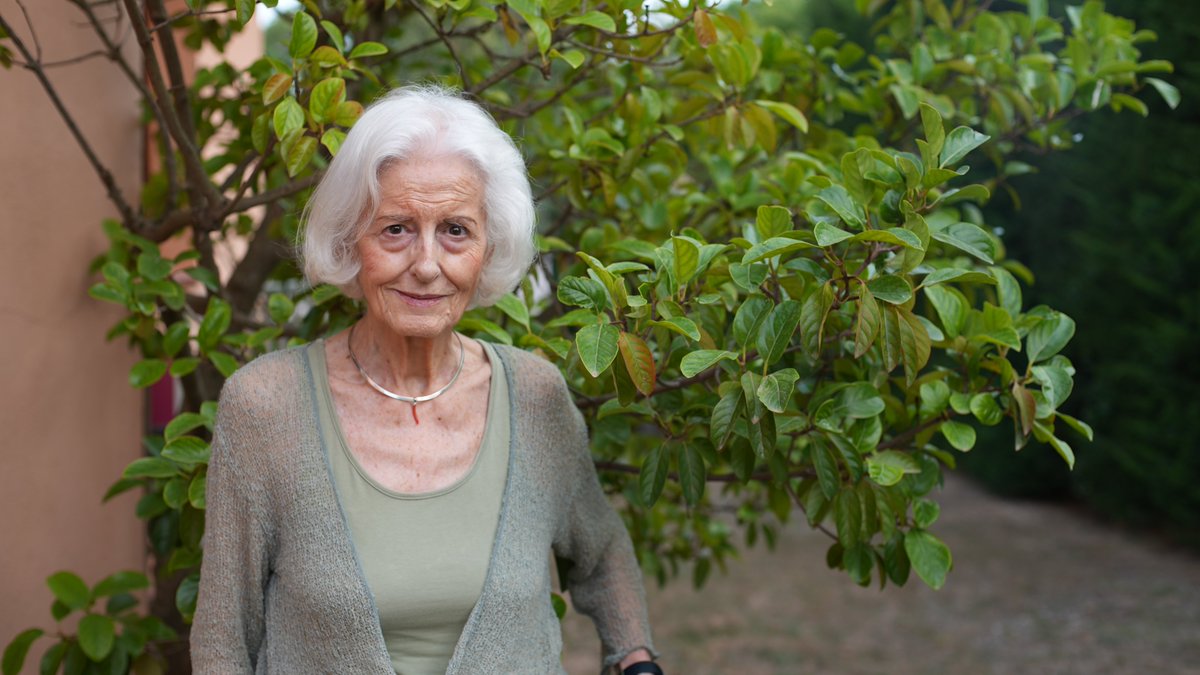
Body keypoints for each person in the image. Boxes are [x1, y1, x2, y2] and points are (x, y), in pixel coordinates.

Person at [191, 85, 660, 674]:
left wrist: (636, 656)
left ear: (488, 249)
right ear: (348, 241)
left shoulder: (536, 398)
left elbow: (603, 549)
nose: (426, 265)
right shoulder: (265, 407)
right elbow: (222, 641)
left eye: (456, 231)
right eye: (395, 229)